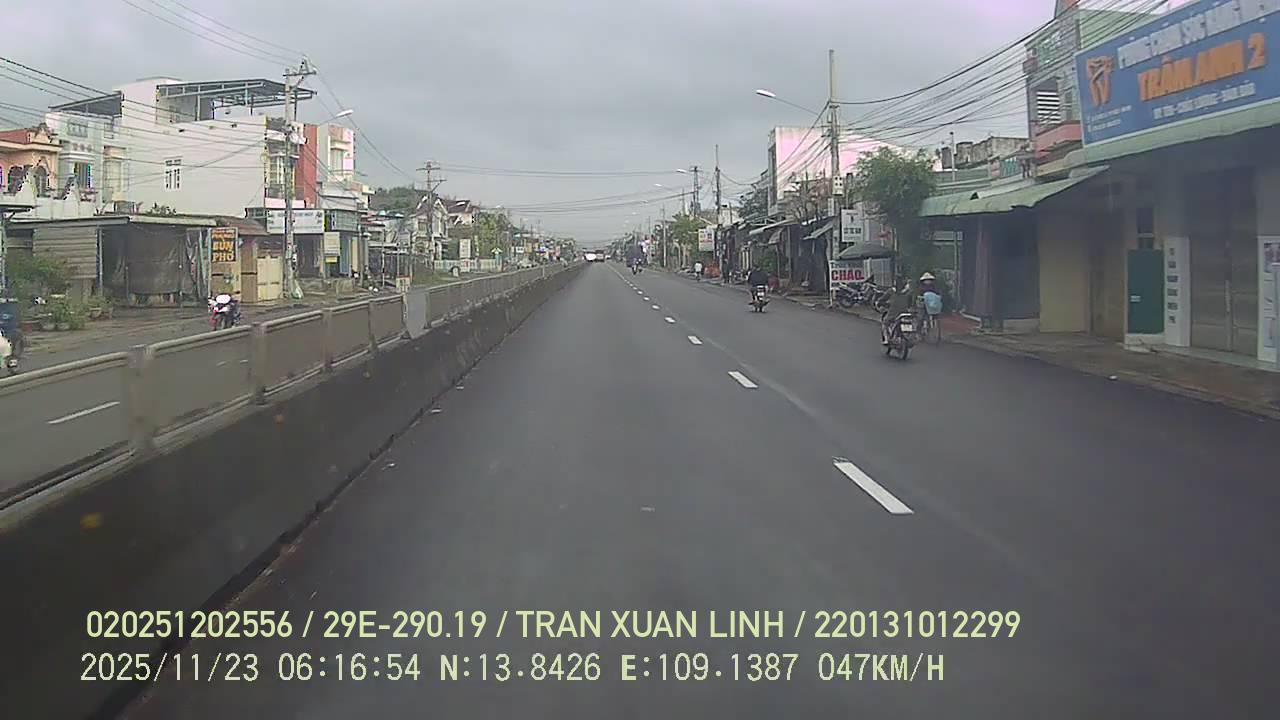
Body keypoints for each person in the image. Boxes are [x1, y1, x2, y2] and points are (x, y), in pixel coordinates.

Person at [880, 276, 916, 345]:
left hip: (893, 314)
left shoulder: (891, 291)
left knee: (884, 323)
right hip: (906, 314)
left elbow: (882, 299)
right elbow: (910, 303)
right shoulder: (908, 292)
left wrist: (880, 303)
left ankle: (886, 339)